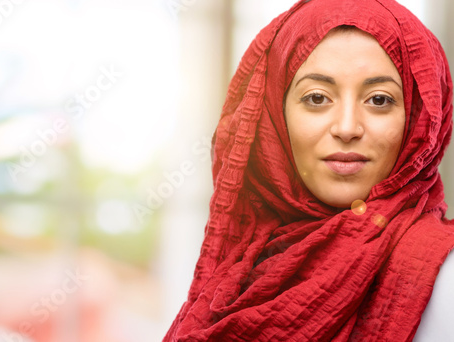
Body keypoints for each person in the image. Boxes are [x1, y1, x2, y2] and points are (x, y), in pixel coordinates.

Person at [164, 0, 454, 341]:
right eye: (317, 98)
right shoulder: (234, 276)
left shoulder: (443, 276)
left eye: (379, 100)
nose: (347, 128)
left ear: (418, 119)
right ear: (272, 115)